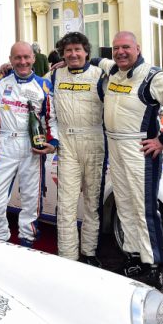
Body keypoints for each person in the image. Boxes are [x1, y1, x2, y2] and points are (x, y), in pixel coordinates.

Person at [100, 31, 163, 288]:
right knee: (124, 204)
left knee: (143, 207)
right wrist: (60, 62)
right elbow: (94, 60)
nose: (120, 52)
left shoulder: (152, 75)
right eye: (116, 48)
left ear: (137, 48)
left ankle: (152, 266)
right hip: (115, 146)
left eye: (126, 47)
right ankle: (133, 258)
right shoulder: (113, 69)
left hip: (139, 148)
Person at [0, 42, 58, 247]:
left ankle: (27, 240)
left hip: (32, 145)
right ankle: (1, 239)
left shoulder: (44, 85)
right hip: (5, 144)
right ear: (11, 59)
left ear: (34, 58)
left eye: (26, 57)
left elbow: (51, 118)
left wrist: (53, 142)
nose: (22, 61)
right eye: (18, 57)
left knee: (31, 200)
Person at [50, 32, 105, 267]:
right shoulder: (54, 74)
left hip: (94, 141)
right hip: (67, 143)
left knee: (93, 202)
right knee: (66, 204)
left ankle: (90, 253)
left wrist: (99, 62)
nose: (73, 54)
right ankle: (68, 257)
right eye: (68, 50)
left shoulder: (101, 75)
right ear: (63, 54)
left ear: (86, 53)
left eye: (77, 50)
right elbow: (34, 89)